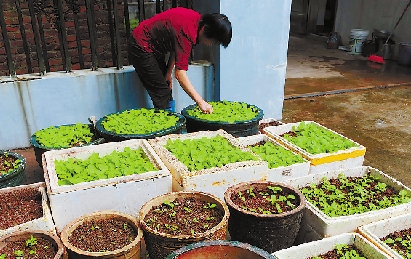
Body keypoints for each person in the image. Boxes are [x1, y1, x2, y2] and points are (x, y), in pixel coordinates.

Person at [128, 7, 232, 113]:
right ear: (205, 29)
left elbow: (177, 46)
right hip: (141, 45)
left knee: (166, 87)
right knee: (162, 94)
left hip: (154, 47)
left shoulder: (196, 21)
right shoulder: (188, 32)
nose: (211, 45)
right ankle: (169, 124)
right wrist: (201, 102)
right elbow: (180, 74)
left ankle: (170, 118)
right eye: (213, 41)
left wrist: (168, 72)